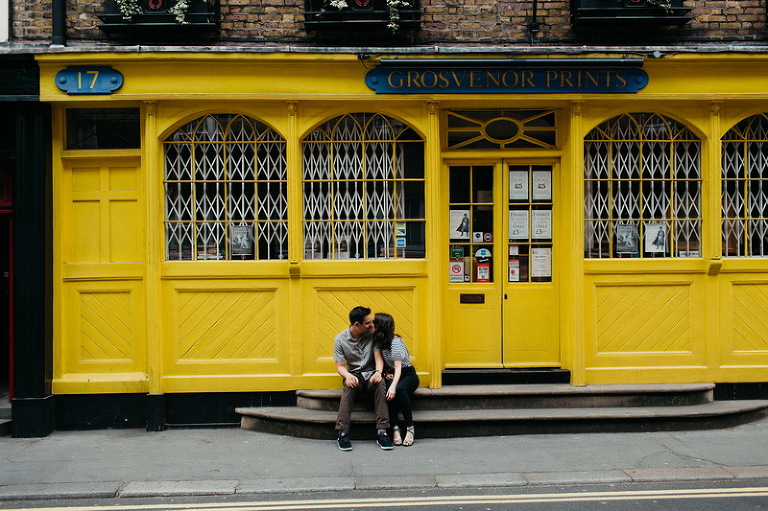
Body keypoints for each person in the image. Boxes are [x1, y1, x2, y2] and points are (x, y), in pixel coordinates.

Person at [333, 306, 394, 451]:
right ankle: (343, 432)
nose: (371, 325)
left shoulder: (372, 335)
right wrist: (347, 376)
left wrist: (378, 373)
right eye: (367, 323)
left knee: (381, 385)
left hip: (371, 373)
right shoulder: (340, 339)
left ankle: (382, 431)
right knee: (348, 388)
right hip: (355, 375)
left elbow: (379, 358)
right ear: (356, 324)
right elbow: (340, 366)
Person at [372, 312, 420, 447]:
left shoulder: (396, 341)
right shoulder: (378, 342)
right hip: (393, 374)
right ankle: (395, 428)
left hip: (407, 374)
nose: (371, 325)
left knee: (398, 389)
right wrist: (386, 373)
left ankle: (410, 428)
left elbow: (399, 367)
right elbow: (383, 362)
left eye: (374, 323)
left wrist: (393, 386)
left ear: (381, 326)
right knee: (388, 391)